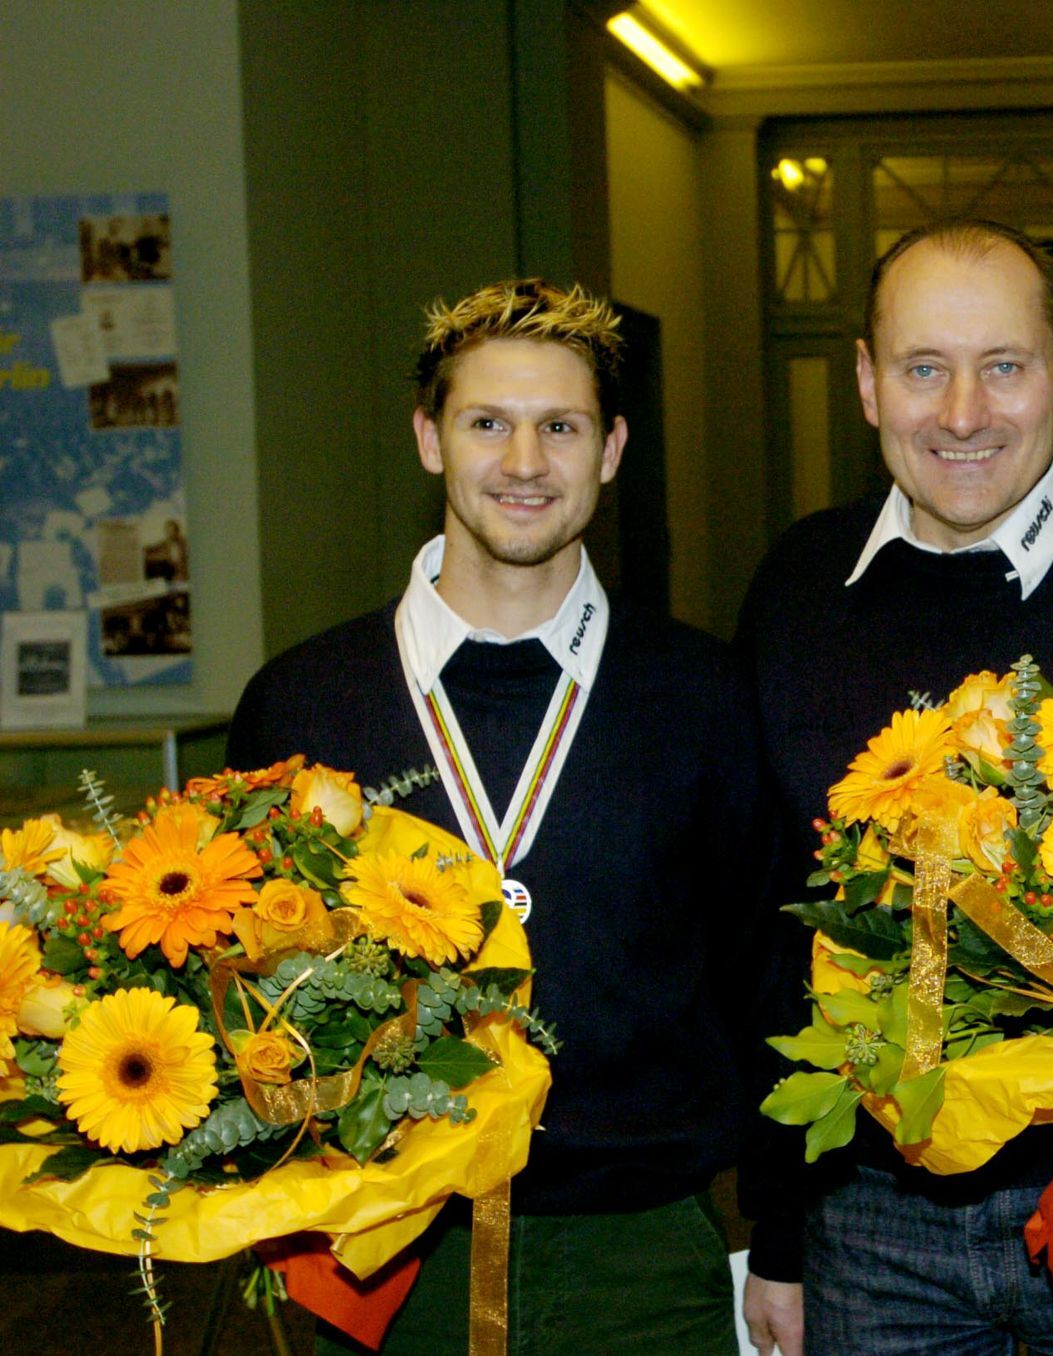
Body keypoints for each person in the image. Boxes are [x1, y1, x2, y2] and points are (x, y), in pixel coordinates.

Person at [736, 219, 1053, 1356]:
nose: (962, 413)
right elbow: (771, 928)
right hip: (867, 1221)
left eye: (1003, 366)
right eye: (924, 367)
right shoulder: (793, 596)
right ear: (868, 385)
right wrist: (774, 1234)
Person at [228, 279, 765, 1353]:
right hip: (379, 1253)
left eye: (558, 427)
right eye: (488, 424)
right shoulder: (301, 700)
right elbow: (243, 991)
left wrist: (785, 1243)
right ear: (429, 439)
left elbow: (766, 976)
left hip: (641, 1259)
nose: (524, 464)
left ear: (610, 450)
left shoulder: (702, 694)